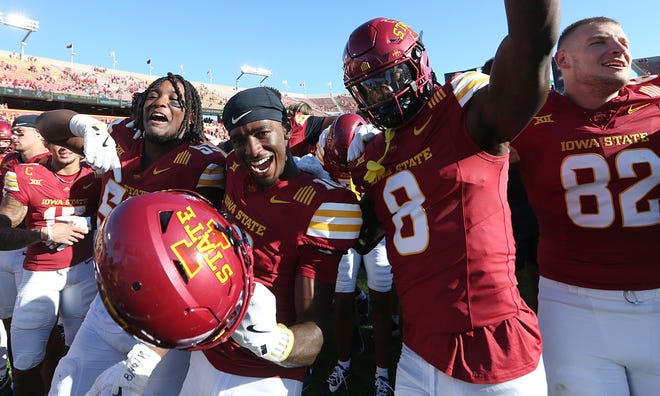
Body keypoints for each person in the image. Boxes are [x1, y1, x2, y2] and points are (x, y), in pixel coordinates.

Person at [342, 6, 559, 395]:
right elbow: (359, 234)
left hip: (492, 345)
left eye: (391, 78)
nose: (384, 95)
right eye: (370, 88)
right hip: (417, 348)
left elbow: (531, 49)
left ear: (418, 64)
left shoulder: (462, 108)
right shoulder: (377, 151)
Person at [36, 72, 226, 396]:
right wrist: (82, 124)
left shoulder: (203, 163)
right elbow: (46, 125)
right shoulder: (119, 137)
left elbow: (202, 263)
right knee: (67, 385)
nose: (161, 102)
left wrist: (153, 351)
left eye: (175, 100)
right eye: (154, 95)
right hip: (108, 300)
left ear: (191, 116)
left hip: (163, 313)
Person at [511, 17, 660, 395]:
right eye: (599, 42)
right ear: (562, 60)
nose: (618, 48)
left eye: (623, 41)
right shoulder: (527, 117)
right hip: (573, 305)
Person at [180, 86, 361, 395]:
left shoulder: (322, 203)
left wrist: (274, 342)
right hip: (206, 349)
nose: (251, 149)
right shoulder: (232, 166)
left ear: (287, 129)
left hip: (260, 373)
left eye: (262, 133)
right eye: (239, 140)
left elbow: (314, 331)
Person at [0, 142, 101, 395]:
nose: (65, 146)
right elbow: (2, 233)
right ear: (47, 142)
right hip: (40, 272)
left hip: (83, 271)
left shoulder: (97, 176)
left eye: (71, 139)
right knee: (25, 359)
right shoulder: (26, 174)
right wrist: (44, 233)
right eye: (58, 138)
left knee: (81, 355)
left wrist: (90, 222)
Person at [312, 114, 395, 395]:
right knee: (343, 297)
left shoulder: (374, 141)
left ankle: (382, 372)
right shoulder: (325, 142)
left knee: (381, 299)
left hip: (374, 226)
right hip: (341, 220)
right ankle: (343, 363)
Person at [0, 114, 51, 394]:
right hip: (6, 247)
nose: (12, 137)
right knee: (9, 320)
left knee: (41, 327)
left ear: (40, 135)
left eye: (20, 132)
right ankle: (13, 375)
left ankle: (43, 383)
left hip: (33, 252)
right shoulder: (9, 161)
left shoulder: (52, 162)